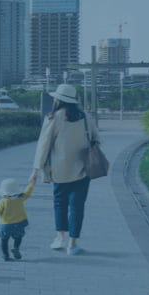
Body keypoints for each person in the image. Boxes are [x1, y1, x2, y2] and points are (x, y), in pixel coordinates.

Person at [31, 84, 101, 256]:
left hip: (59, 170)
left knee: (59, 204)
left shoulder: (53, 118)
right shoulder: (86, 117)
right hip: (83, 170)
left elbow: (43, 146)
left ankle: (60, 238)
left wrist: (36, 170)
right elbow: (97, 139)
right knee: (77, 207)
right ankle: (73, 244)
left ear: (59, 100)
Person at [0, 177, 35, 261]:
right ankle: (16, 248)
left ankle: (6, 255)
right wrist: (31, 184)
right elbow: (27, 193)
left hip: (6, 225)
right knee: (18, 237)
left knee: (4, 240)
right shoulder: (20, 198)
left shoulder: (3, 201)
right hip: (19, 224)